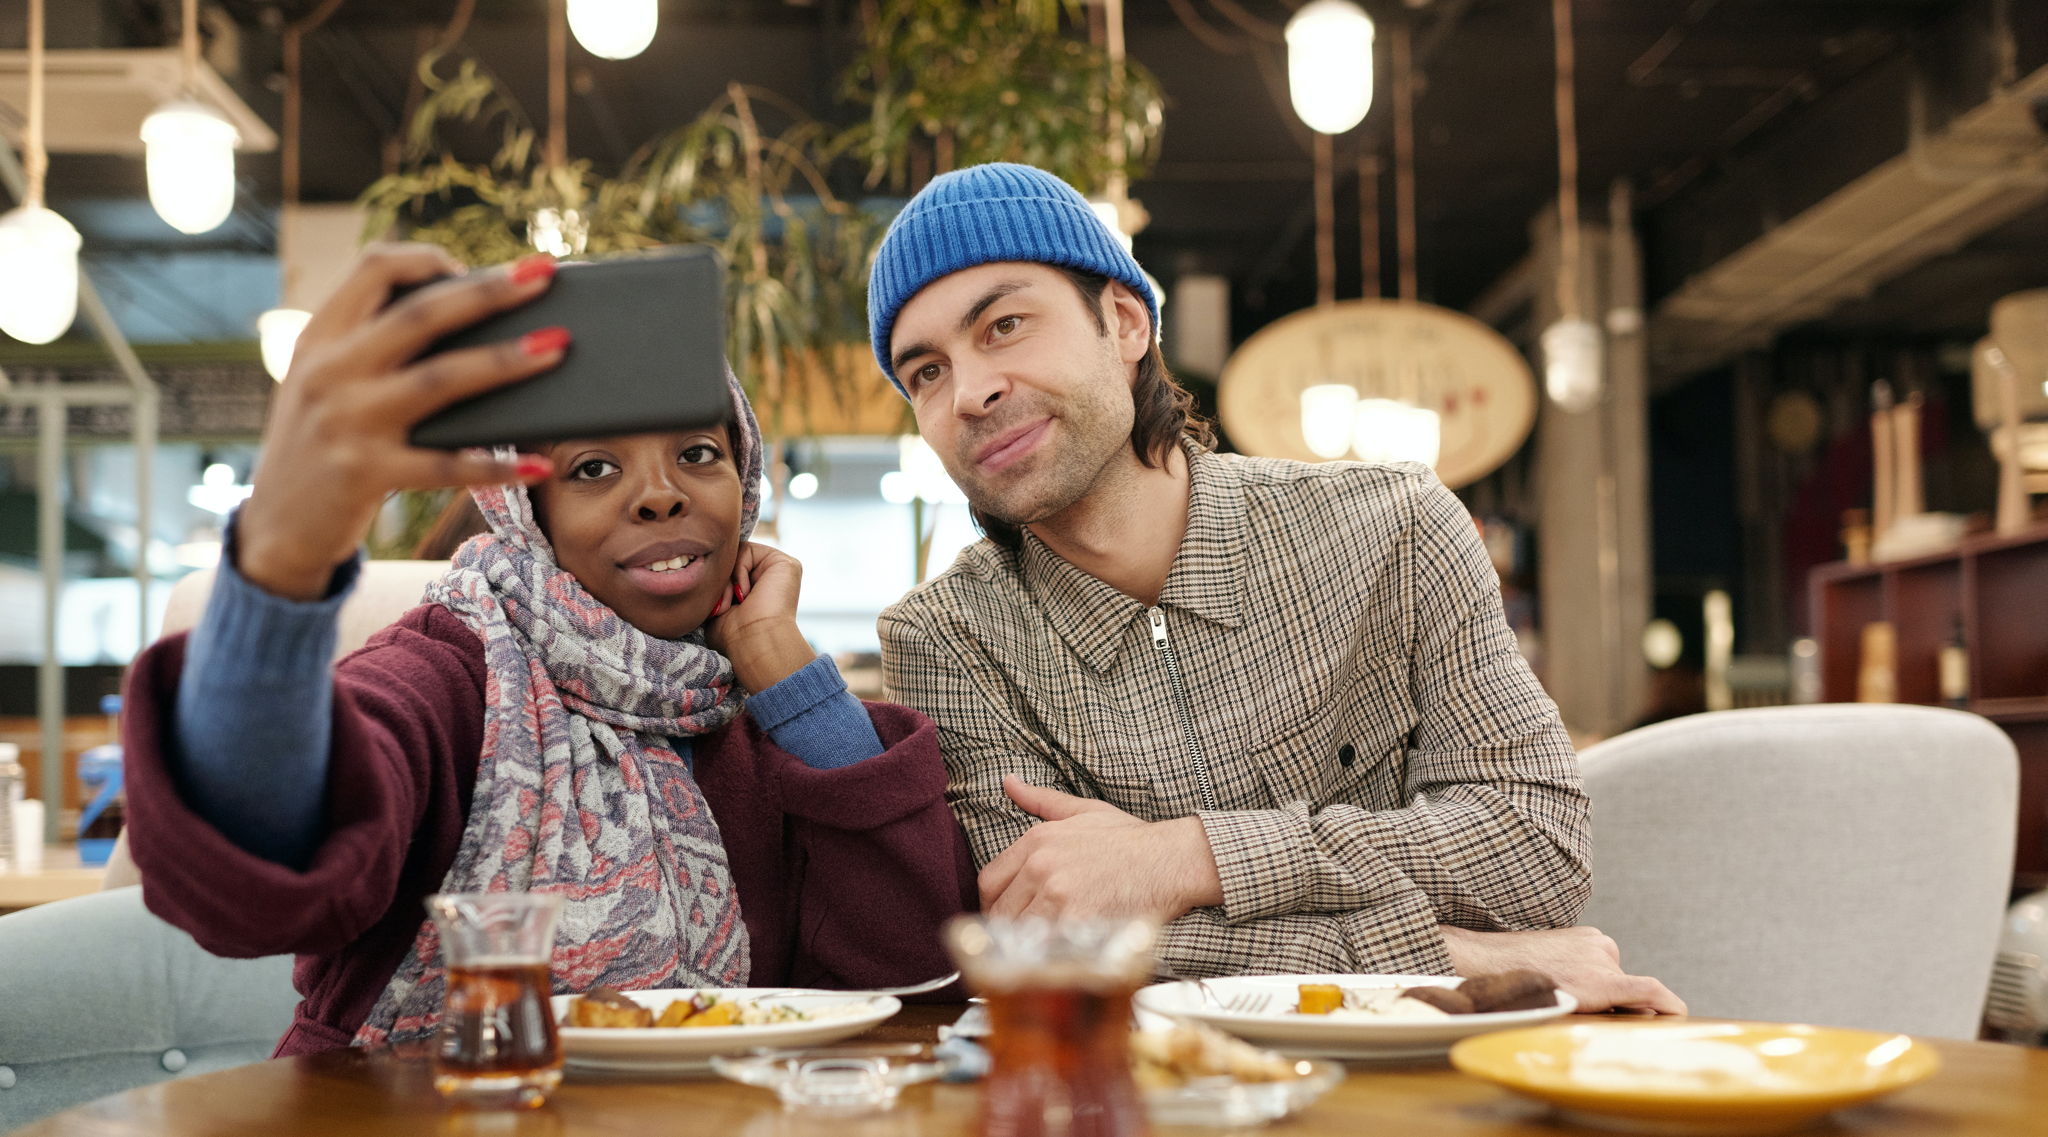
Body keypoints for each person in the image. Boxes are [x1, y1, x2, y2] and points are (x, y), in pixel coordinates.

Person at [119, 245, 975, 1056]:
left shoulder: (757, 711)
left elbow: (909, 977)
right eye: (595, 467)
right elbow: (256, 875)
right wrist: (281, 563)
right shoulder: (453, 674)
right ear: (530, 513)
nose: (660, 494)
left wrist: (789, 675)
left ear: (744, 477)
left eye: (699, 453)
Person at [868, 162, 1682, 1013]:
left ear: (1122, 321)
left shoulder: (1395, 528)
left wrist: (1186, 857)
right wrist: (1451, 950)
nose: (969, 391)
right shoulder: (947, 638)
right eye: (924, 371)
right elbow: (1043, 944)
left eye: (1004, 325)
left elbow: (1536, 847)